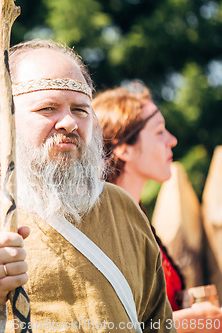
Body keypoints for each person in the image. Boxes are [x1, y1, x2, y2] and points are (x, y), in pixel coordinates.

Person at [0, 40, 175, 333]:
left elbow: (158, 322)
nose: (69, 122)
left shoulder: (123, 206)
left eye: (80, 110)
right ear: (0, 116)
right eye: (48, 108)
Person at [94, 81, 222, 333]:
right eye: (159, 131)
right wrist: (193, 321)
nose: (172, 140)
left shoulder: (136, 219)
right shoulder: (105, 229)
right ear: (124, 148)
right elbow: (110, 323)